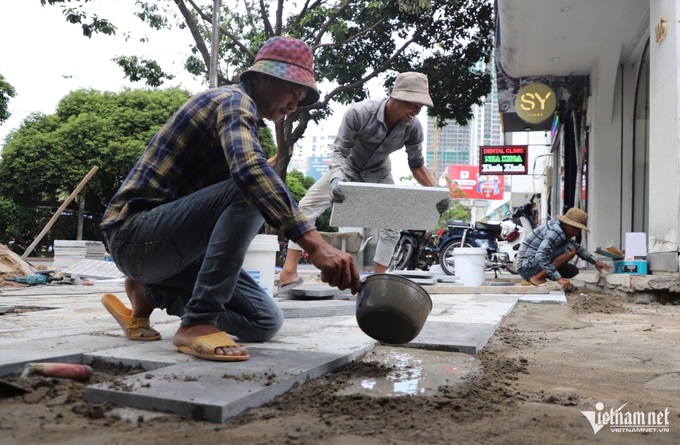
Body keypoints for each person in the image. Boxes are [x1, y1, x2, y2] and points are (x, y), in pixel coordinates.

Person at [100, 36, 361, 362]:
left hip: (171, 250)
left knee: (264, 321)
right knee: (250, 186)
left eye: (302, 97)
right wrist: (315, 245)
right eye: (294, 92)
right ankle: (197, 323)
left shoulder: (244, 120)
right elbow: (250, 175)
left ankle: (150, 292)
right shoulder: (232, 101)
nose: (296, 104)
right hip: (134, 236)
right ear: (263, 77)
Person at [276, 72, 449, 292]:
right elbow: (340, 150)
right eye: (411, 103)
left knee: (392, 226)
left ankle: (377, 283)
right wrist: (337, 179)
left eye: (421, 105)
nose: (416, 109)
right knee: (305, 208)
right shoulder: (359, 112)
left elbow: (416, 165)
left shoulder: (413, 128)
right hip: (346, 167)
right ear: (393, 96)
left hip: (378, 172)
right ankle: (288, 271)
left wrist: (436, 195)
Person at [516, 207, 611, 291]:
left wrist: (595, 261)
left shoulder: (561, 229)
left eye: (579, 229)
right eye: (574, 228)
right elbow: (540, 255)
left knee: (572, 270)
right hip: (526, 266)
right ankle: (537, 278)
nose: (576, 232)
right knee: (569, 249)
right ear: (566, 224)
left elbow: (577, 247)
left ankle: (536, 277)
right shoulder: (555, 231)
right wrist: (559, 278)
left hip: (529, 266)